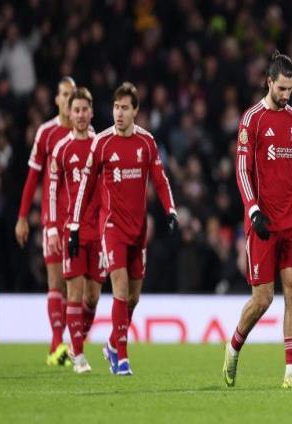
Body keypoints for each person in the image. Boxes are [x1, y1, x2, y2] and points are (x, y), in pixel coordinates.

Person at [70, 82, 178, 375]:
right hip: (112, 228)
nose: (119, 113)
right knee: (119, 288)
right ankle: (122, 358)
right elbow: (85, 187)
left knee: (133, 297)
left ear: (135, 111)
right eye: (116, 107)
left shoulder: (147, 142)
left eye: (125, 108)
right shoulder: (102, 143)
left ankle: (111, 344)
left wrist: (170, 210)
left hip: (138, 231)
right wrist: (75, 224)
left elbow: (160, 179)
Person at [223, 51, 292, 389]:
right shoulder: (252, 119)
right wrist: (253, 209)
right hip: (262, 222)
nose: (286, 95)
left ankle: (290, 372)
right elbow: (242, 170)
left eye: (291, 89)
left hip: (291, 222)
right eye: (281, 88)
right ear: (269, 82)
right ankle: (233, 346)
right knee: (263, 299)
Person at [15, 77, 76, 366]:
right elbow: (31, 178)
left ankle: (61, 345)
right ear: (56, 99)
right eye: (63, 94)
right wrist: (22, 217)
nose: (67, 100)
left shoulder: (87, 134)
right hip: (52, 218)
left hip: (78, 220)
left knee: (74, 285)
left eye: (72, 95)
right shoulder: (46, 133)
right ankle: (57, 344)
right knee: (55, 280)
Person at [47, 87, 106, 373]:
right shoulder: (62, 149)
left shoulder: (101, 146)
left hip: (99, 233)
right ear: (69, 114)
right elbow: (51, 190)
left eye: (85, 110)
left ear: (91, 112)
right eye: (76, 110)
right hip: (73, 230)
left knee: (92, 298)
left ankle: (75, 343)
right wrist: (52, 228)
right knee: (74, 292)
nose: (81, 115)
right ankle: (79, 356)